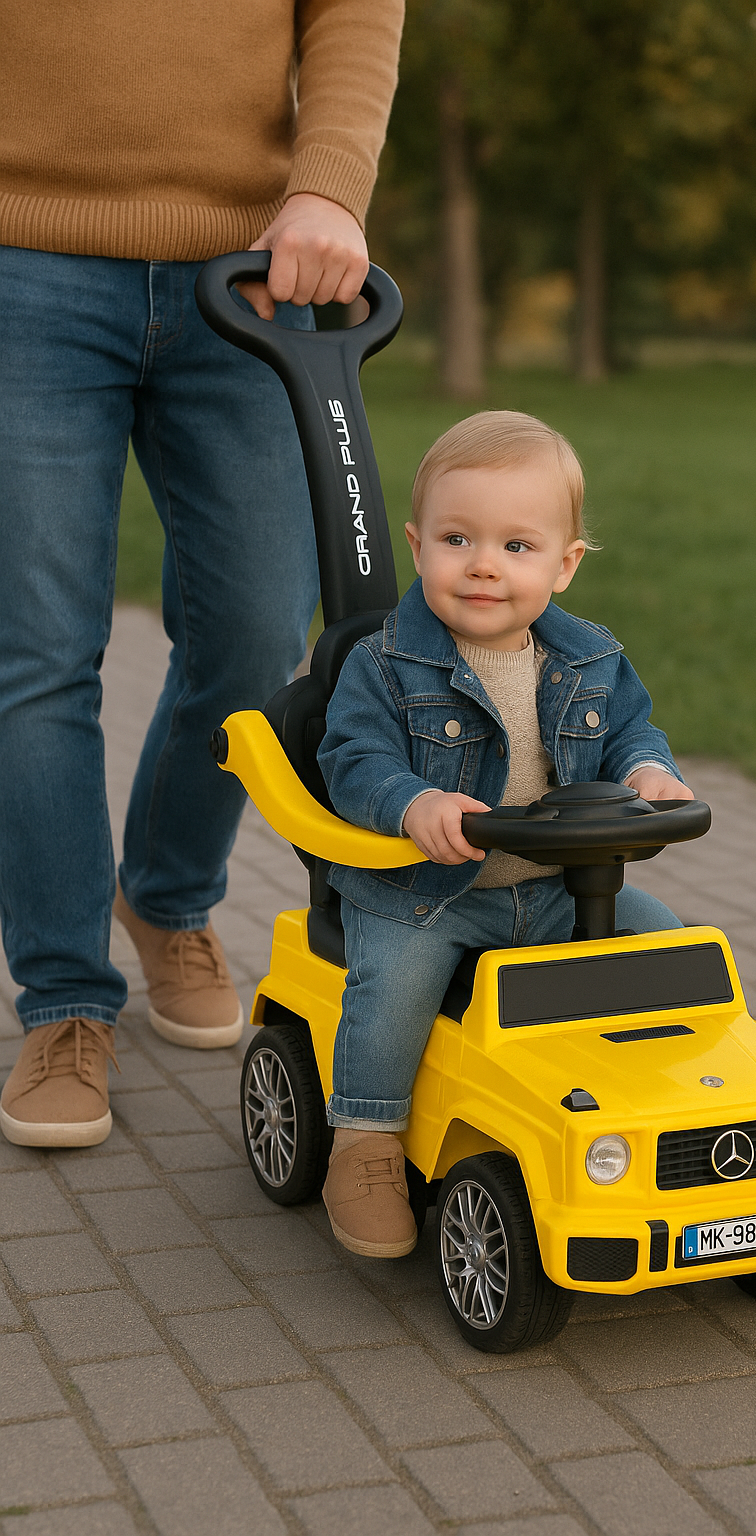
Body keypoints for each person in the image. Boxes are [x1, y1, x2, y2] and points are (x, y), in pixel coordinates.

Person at [0, 1, 405, 1149]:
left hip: (255, 263)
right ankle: (65, 999)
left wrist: (330, 186)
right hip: (21, 261)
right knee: (37, 654)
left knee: (260, 638)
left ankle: (166, 896)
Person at [315, 411, 696, 1257]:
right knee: (393, 994)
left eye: (517, 546)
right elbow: (352, 760)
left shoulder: (591, 659)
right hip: (426, 897)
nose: (484, 564)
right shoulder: (382, 665)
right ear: (417, 546)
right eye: (458, 539)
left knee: (667, 945)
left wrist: (648, 772)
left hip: (558, 893)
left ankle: (652, 1099)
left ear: (565, 565)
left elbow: (631, 731)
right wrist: (413, 802)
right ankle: (365, 1141)